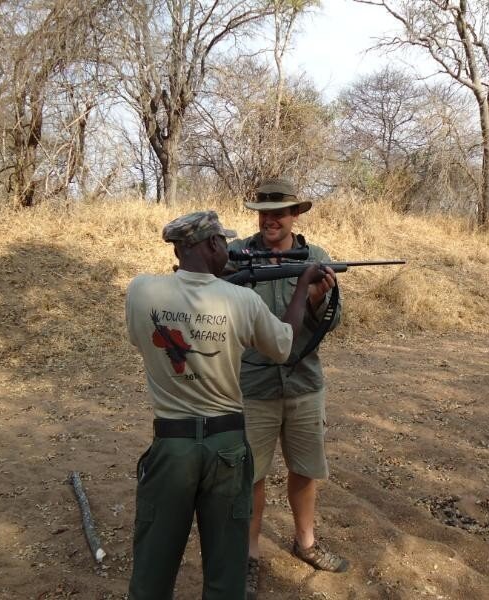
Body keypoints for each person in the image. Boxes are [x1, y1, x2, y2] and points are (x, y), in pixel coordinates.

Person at [125, 210, 333, 600]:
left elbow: (142, 339)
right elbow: (284, 345)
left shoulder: (141, 291)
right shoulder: (242, 301)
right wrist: (303, 285)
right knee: (226, 572)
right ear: (212, 245)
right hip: (227, 449)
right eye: (223, 242)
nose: (229, 249)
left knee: (153, 566)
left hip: (171, 447)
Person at [227, 178, 348, 600]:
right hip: (254, 384)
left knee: (305, 468)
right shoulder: (235, 254)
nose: (270, 219)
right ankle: (248, 556)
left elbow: (332, 322)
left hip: (303, 383)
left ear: (296, 215)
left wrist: (316, 299)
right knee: (252, 475)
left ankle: (306, 543)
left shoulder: (316, 258)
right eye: (264, 211)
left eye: (279, 212)